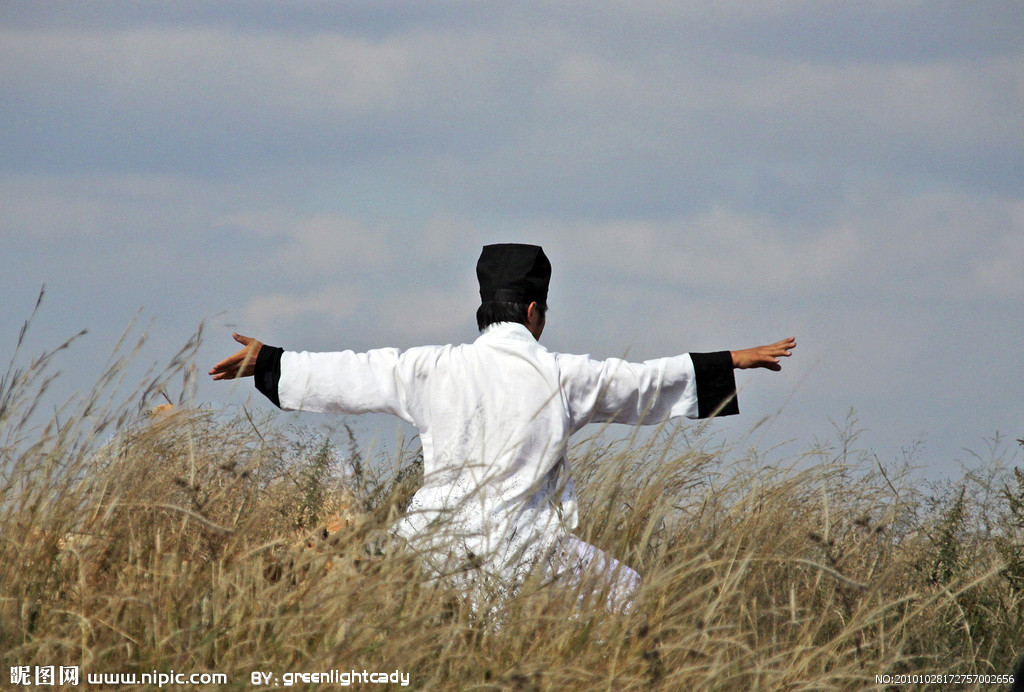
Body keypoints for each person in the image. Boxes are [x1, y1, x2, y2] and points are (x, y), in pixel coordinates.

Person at [210, 243, 795, 611]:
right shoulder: (563, 375)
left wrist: (269, 362)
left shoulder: (429, 368)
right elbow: (644, 384)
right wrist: (730, 363)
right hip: (530, 554)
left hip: (429, 549)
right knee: (635, 601)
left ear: (484, 309)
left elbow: (352, 373)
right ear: (536, 312)